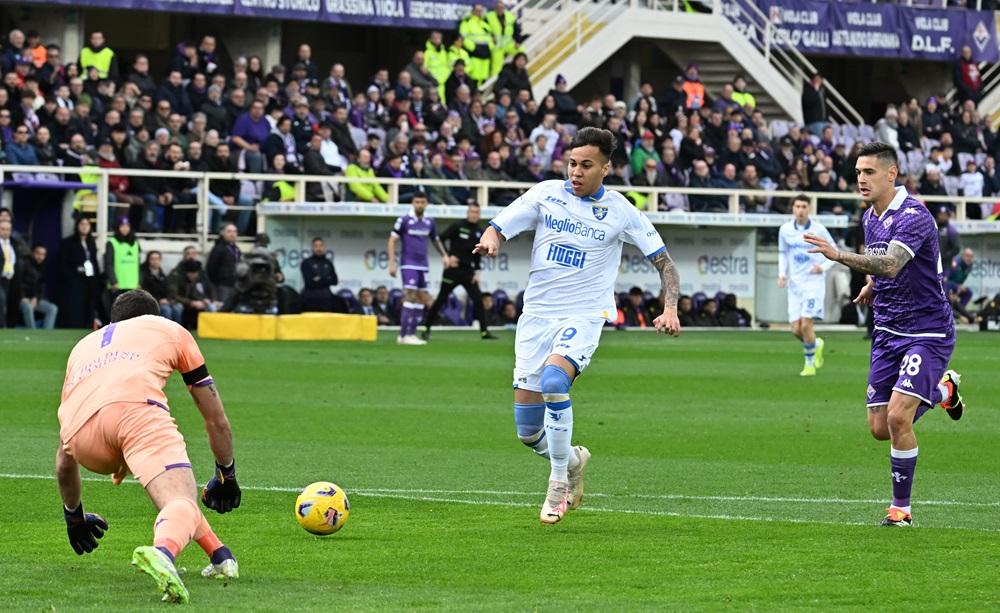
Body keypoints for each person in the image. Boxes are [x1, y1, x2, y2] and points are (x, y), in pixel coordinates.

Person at [473, 127, 681, 524]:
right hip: (536, 318)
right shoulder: (546, 194)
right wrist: (492, 239)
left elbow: (665, 264)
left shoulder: (621, 210)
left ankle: (557, 485)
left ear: (607, 167)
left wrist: (670, 308)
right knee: (528, 433)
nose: (576, 172)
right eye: (572, 163)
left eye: (587, 165)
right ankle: (572, 460)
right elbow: (499, 224)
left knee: (555, 382)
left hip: (584, 316)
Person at [804, 141, 965, 528]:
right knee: (879, 428)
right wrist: (871, 285)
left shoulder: (914, 216)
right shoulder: (871, 217)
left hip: (927, 332)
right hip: (887, 331)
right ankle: (944, 391)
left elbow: (892, 263)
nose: (861, 179)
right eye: (858, 172)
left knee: (897, 419)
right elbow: (883, 267)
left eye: (869, 172)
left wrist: (841, 256)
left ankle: (901, 510)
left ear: (891, 174)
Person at [54, 290, 240, 604]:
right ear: (154, 316)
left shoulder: (82, 347)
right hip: (134, 412)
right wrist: (226, 473)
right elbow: (215, 418)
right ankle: (163, 553)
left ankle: (221, 556)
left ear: (112, 323)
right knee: (181, 499)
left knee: (170, 493)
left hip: (81, 440)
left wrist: (73, 515)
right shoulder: (169, 329)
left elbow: (63, 460)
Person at [778, 195, 836, 376]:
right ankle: (815, 344)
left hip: (813, 283)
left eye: (804, 206)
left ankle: (809, 364)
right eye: (797, 206)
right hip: (794, 285)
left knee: (805, 325)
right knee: (796, 329)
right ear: (793, 209)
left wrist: (823, 266)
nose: (800, 210)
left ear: (809, 209)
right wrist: (782, 274)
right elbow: (783, 253)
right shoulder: (785, 230)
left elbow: (834, 249)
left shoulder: (819, 229)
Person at [421, 203, 497, 341]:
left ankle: (484, 332)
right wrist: (447, 256)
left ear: (479, 214)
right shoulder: (458, 226)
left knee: (478, 300)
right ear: (468, 213)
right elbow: (439, 239)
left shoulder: (480, 231)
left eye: (476, 212)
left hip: (468, 272)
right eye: (472, 212)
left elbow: (477, 255)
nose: (474, 214)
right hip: (453, 270)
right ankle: (426, 328)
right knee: (440, 299)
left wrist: (477, 272)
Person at [387, 192, 449, 345]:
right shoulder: (404, 220)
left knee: (422, 298)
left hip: (423, 265)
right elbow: (392, 240)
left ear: (426, 203)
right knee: (410, 296)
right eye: (417, 202)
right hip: (409, 264)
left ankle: (408, 335)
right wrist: (392, 262)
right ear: (412, 203)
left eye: (422, 202)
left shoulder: (429, 221)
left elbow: (435, 240)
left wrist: (445, 255)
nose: (419, 205)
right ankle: (406, 334)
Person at [59, 217, 101, 329]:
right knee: (75, 306)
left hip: (89, 281)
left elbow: (94, 262)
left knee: (88, 305)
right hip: (74, 281)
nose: (84, 226)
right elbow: (63, 263)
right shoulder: (68, 243)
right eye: (82, 224)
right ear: (77, 226)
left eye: (87, 224)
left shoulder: (91, 243)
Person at [300, 237, 346, 312]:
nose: (319, 248)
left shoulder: (328, 263)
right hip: (310, 298)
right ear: (312, 248)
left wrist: (319, 279)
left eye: (321, 245)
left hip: (327, 298)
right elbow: (309, 282)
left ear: (324, 247)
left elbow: (335, 281)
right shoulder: (306, 263)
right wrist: (327, 279)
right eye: (316, 246)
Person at [104, 217, 141, 310]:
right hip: (118, 285)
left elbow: (138, 265)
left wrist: (139, 281)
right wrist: (113, 281)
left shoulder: (135, 243)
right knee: (118, 312)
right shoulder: (112, 242)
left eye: (127, 226)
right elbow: (108, 263)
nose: (125, 228)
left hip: (133, 285)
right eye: (122, 226)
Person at [19, 244, 59, 329]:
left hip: (34, 299)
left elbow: (41, 287)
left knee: (52, 308)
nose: (40, 256)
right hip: (20, 299)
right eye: (38, 253)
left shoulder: (43, 267)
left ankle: (46, 335)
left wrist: (36, 298)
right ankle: (33, 334)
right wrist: (22, 297)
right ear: (32, 253)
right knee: (28, 307)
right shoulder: (23, 263)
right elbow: (17, 283)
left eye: (43, 254)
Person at [141, 250, 182, 324]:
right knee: (166, 310)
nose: (155, 261)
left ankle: (177, 331)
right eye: (152, 259)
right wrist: (159, 300)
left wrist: (169, 299)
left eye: (157, 259)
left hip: (165, 301)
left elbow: (168, 290)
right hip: (152, 302)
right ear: (148, 260)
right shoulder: (144, 274)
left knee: (178, 307)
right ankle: (165, 332)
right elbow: (145, 292)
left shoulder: (162, 274)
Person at [207, 223, 241, 308]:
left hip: (236, 285)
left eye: (234, 232)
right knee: (223, 308)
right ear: (223, 233)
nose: (232, 234)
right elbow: (211, 268)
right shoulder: (218, 248)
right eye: (229, 231)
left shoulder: (236, 249)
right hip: (223, 286)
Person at [0, 218, 26, 327]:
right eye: (2, 229)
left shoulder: (14, 244)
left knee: (8, 302)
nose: (5, 231)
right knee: (1, 299)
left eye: (8, 229)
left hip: (10, 278)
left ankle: (9, 326)